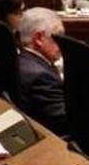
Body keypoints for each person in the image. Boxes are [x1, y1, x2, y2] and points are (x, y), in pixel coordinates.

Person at [16, 7, 67, 135]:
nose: (63, 44)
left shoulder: (22, 60)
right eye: (59, 37)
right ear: (39, 38)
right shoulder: (40, 77)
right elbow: (67, 122)